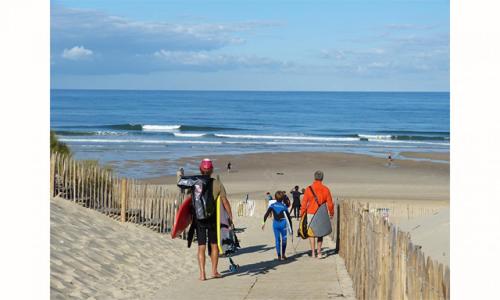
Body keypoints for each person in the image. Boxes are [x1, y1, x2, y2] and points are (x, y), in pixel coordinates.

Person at [192, 158, 234, 280]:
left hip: (199, 218)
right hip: (213, 219)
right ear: (212, 170)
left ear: (200, 169)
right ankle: (214, 271)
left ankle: (202, 274)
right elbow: (225, 202)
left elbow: (191, 202)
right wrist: (230, 217)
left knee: (201, 246)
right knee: (214, 245)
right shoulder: (217, 183)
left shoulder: (195, 183)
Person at [300, 170, 334, 259]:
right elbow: (330, 203)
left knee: (311, 234)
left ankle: (313, 253)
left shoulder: (308, 189)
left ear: (314, 177)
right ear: (322, 178)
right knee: (320, 233)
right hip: (322, 214)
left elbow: (304, 203)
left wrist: (302, 213)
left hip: (310, 213)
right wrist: (331, 213)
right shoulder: (326, 189)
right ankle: (319, 252)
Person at [262, 191, 293, 260]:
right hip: (283, 224)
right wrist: (291, 230)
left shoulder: (272, 206)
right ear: (282, 199)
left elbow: (266, 215)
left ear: (275, 198)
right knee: (284, 239)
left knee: (277, 240)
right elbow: (289, 219)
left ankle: (279, 256)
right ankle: (283, 255)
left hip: (275, 224)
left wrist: (263, 223)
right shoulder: (284, 207)